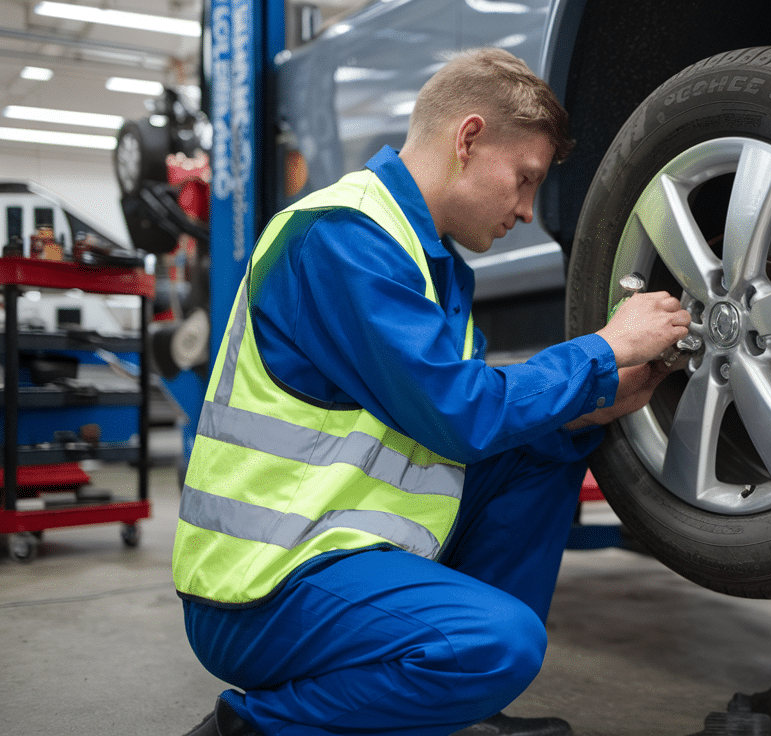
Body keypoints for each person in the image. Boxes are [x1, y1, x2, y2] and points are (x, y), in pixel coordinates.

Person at [175, 48, 691, 736]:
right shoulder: (342, 236)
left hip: (334, 551)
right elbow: (459, 414)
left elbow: (463, 411)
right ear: (469, 139)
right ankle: (253, 728)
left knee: (548, 442)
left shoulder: (432, 262)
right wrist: (605, 349)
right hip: (260, 588)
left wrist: (584, 402)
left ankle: (453, 707)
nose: (528, 210)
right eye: (524, 179)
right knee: (497, 643)